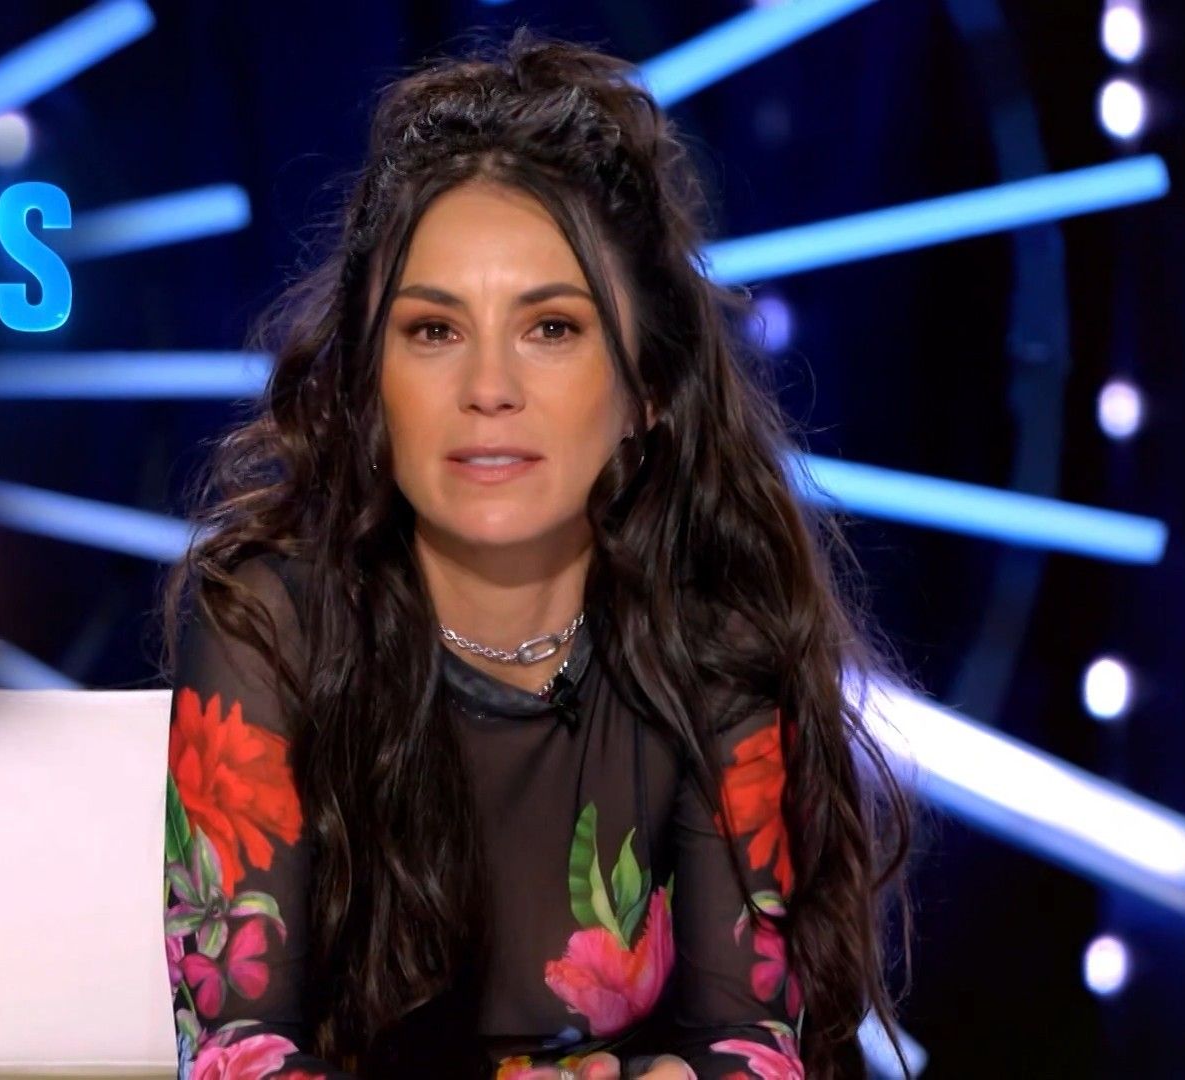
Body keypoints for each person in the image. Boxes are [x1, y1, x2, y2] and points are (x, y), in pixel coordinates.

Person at [158, 29, 915, 1080]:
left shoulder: (717, 643)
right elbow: (232, 1052)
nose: (489, 388)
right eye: (433, 332)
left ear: (647, 390)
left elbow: (753, 1043)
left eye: (551, 328)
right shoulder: (266, 624)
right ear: (369, 382)